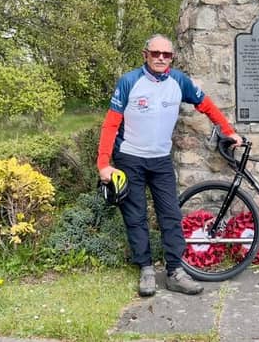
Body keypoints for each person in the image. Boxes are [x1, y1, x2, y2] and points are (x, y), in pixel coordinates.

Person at [97, 34, 242, 297]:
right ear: (145, 55)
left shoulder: (179, 81)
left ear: (172, 58)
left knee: (171, 216)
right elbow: (111, 124)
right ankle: (146, 270)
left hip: (161, 159)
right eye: (156, 53)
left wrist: (228, 130)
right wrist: (103, 163)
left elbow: (206, 105)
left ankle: (175, 272)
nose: (161, 58)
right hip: (130, 158)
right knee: (136, 217)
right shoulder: (129, 82)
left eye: (167, 54)